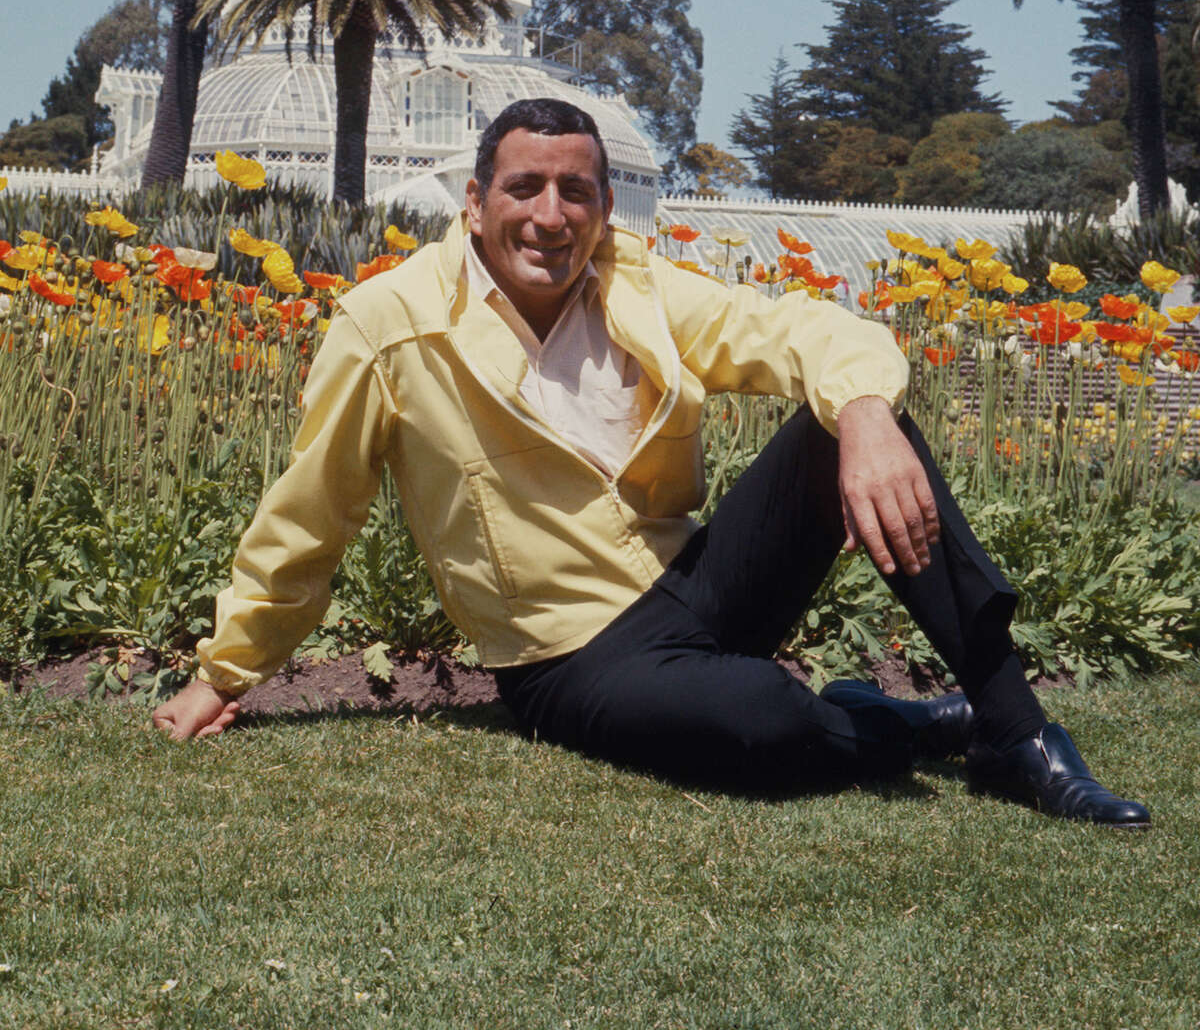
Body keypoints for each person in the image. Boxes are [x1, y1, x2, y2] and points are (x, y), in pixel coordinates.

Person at [155, 100, 1149, 827]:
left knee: (849, 420)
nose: (551, 215)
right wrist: (227, 673)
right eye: (524, 188)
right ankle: (892, 725)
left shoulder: (634, 285)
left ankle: (1018, 733)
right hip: (573, 657)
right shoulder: (389, 326)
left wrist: (866, 415)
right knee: (767, 722)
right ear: (474, 201)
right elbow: (308, 514)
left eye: (575, 191)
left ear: (600, 202)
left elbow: (797, 326)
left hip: (695, 584)